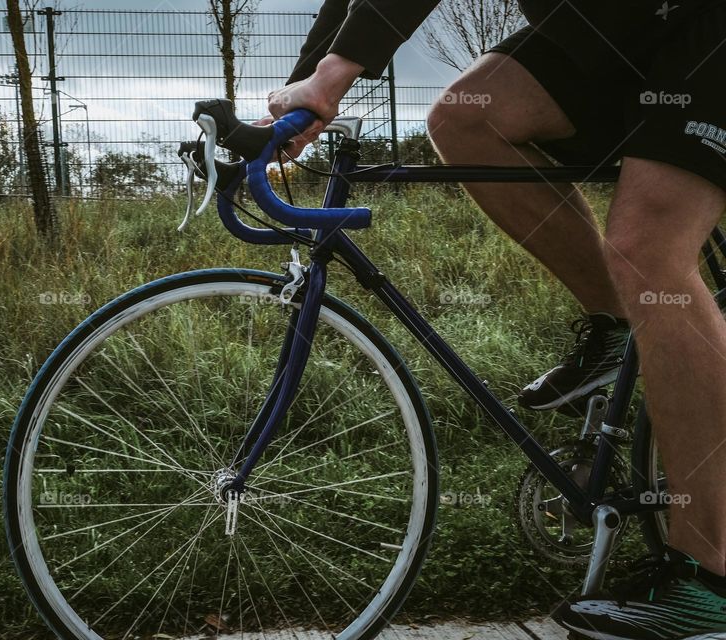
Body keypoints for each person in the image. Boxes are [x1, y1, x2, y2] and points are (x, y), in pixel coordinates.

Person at [266, 1, 726, 639]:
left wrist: (333, 77)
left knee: (650, 252)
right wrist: (300, 101)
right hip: (611, 22)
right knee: (465, 117)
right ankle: (616, 330)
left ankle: (714, 581)